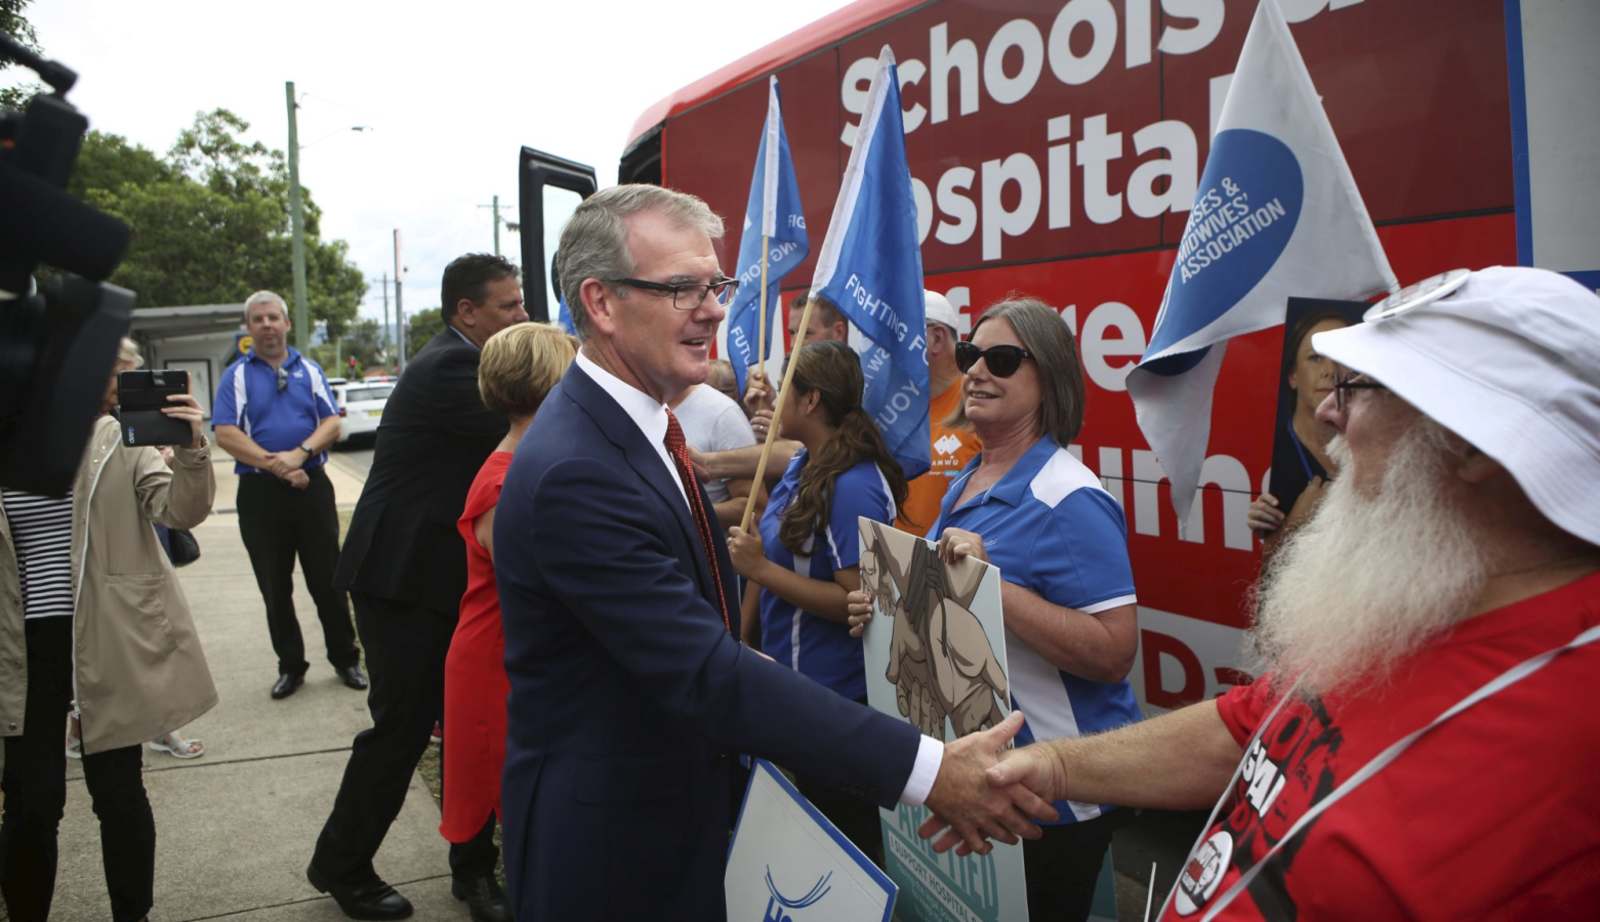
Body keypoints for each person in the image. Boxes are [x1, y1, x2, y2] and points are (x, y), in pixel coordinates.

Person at [494, 183, 1058, 920]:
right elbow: (702, 670)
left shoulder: (633, 430)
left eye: (716, 284)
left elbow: (692, 639)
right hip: (614, 852)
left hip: (669, 818)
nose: (715, 308)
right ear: (600, 303)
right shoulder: (577, 469)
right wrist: (930, 770)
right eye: (682, 288)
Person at [975, 267, 1600, 920]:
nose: (1327, 409)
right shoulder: (1419, 599)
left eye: (1358, 388)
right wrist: (1051, 768)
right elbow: (1247, 727)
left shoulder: (1577, 718)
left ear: (1472, 443)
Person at [848, 297, 1142, 922]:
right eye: (971, 354)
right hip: (995, 781)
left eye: (1003, 359)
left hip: (1059, 794)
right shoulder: (970, 479)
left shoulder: (1069, 496)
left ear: (1052, 378)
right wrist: (885, 614)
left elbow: (1115, 653)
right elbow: (950, 611)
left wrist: (989, 587)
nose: (978, 370)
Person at [309, 254, 527, 922]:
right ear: (467, 312)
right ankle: (342, 866)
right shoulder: (454, 368)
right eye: (509, 306)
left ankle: (473, 872)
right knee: (402, 729)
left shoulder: (459, 361)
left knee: (471, 725)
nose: (522, 316)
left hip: (436, 577)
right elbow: (535, 431)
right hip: (401, 581)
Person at [1, 337, 217, 922]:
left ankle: (133, 914)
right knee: (30, 802)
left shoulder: (114, 438)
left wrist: (193, 447)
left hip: (106, 636)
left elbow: (179, 511)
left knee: (118, 793)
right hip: (21, 646)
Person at [725, 339, 908, 862]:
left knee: (846, 843)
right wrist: (743, 631)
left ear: (810, 401)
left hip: (838, 694)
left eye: (784, 388)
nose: (772, 399)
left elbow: (859, 600)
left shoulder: (851, 483)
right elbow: (772, 557)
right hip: (795, 682)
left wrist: (758, 568)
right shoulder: (806, 462)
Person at [439, 323, 576, 872]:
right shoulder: (506, 482)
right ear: (549, 382)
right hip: (495, 657)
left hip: (504, 650)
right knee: (504, 793)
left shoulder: (525, 465)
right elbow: (538, 584)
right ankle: (483, 883)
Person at [212, 290, 364, 700]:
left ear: (286, 323)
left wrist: (300, 455)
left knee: (328, 579)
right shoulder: (237, 376)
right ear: (248, 328)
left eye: (272, 317)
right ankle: (291, 666)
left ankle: (346, 658)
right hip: (260, 494)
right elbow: (225, 432)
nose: (266, 325)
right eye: (258, 319)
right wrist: (277, 466)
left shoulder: (309, 370)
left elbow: (331, 422)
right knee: (274, 585)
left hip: (311, 487)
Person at [695, 291, 853, 490]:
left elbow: (812, 452)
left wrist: (706, 463)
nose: (795, 343)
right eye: (792, 332)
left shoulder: (854, 390)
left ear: (838, 332)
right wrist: (765, 412)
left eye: (806, 333)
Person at [1247, 309, 1352, 555]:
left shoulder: (1374, 448)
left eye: (1341, 356)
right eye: (1316, 358)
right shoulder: (1276, 454)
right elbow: (1267, 579)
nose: (1330, 371)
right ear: (1293, 376)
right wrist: (1292, 525)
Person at [896, 289, 981, 535]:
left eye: (899, 335)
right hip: (892, 564)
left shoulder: (980, 405)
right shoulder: (893, 406)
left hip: (950, 567)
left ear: (936, 338)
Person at [672, 374, 757, 528]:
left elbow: (754, 507)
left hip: (711, 550)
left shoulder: (722, 412)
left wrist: (683, 514)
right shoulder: (636, 408)